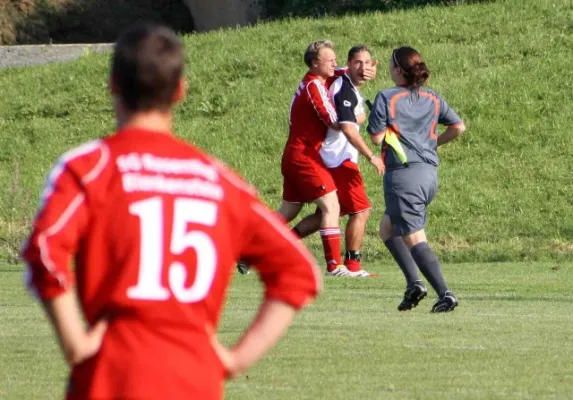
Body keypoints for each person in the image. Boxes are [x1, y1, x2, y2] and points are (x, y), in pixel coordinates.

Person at [21, 23, 321, 400]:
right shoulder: (218, 181)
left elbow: (46, 251)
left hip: (111, 376)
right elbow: (298, 271)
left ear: (112, 84)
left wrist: (75, 344)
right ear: (181, 90)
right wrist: (235, 360)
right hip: (195, 380)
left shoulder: (89, 169)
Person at [367, 46, 466, 312]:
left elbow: (377, 138)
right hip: (429, 175)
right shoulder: (432, 97)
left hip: (403, 176)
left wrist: (384, 127)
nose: (388, 68)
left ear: (398, 70)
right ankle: (414, 284)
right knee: (388, 227)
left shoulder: (386, 97)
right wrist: (433, 144)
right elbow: (458, 127)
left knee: (414, 237)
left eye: (390, 64)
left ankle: (446, 294)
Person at [291, 45, 385, 278]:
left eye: (368, 63)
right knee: (361, 211)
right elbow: (346, 128)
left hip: (333, 157)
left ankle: (279, 244)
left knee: (328, 212)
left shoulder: (346, 83)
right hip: (339, 159)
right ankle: (350, 264)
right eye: (358, 63)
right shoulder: (343, 88)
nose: (364, 68)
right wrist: (371, 156)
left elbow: (351, 119)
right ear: (348, 64)